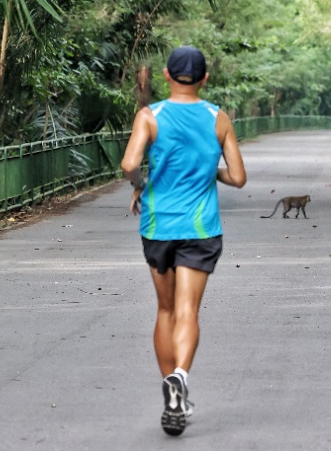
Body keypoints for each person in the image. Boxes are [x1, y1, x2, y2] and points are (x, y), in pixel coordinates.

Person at [120, 45, 246, 436]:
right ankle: (181, 376)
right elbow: (239, 177)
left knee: (165, 310)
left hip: (158, 227)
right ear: (205, 78)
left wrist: (140, 186)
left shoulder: (150, 116)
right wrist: (212, 173)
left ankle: (169, 388)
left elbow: (128, 164)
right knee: (188, 311)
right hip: (200, 228)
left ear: (166, 75)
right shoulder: (217, 117)